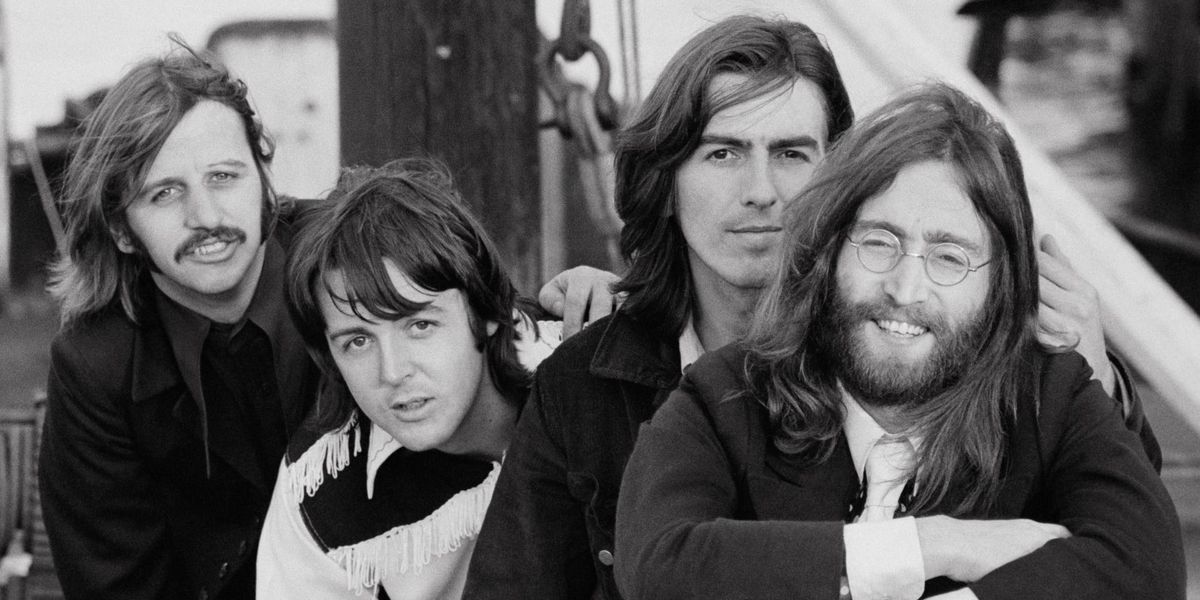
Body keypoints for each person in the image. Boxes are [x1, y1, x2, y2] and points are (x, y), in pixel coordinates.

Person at [466, 15, 1157, 600]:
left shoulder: (959, 365)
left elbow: (1127, 548)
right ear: (665, 179)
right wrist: (934, 545)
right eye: (722, 153)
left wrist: (1102, 383)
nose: (761, 191)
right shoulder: (601, 385)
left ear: (842, 181)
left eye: (793, 153)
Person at [613, 83, 1184, 600]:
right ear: (829, 249)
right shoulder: (727, 392)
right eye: (879, 242)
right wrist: (935, 546)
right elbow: (658, 564)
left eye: (949, 257)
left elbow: (1145, 572)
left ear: (999, 284)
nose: (906, 290)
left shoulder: (1049, 399)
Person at [38, 41, 320, 599]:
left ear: (263, 178)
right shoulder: (94, 367)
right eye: (164, 193)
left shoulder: (349, 261)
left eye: (224, 176)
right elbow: (115, 588)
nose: (206, 217)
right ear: (122, 230)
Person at [255, 159, 561, 599]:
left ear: (487, 309)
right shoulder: (319, 489)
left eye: (419, 325)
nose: (393, 372)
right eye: (358, 341)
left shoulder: (589, 384)